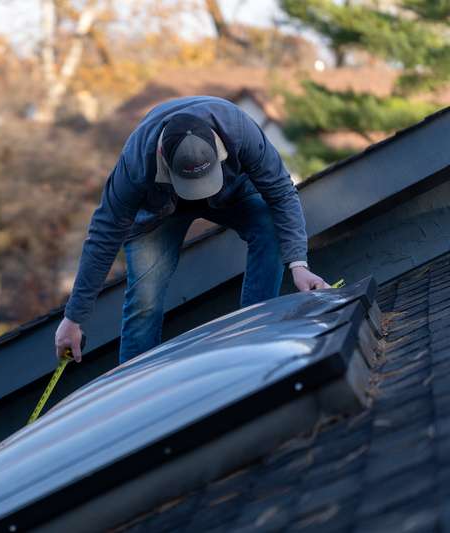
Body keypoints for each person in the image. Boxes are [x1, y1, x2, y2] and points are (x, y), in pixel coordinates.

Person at [55, 96, 330, 365]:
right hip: (159, 213)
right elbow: (103, 235)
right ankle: (138, 380)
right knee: (144, 301)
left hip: (228, 192)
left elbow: (281, 192)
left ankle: (255, 335)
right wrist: (74, 317)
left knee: (268, 222)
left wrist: (299, 264)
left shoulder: (238, 128)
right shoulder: (136, 163)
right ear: (162, 155)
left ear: (217, 145)